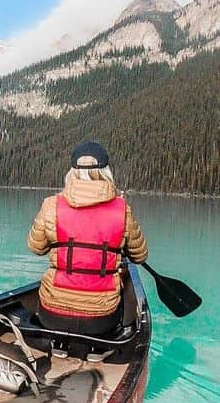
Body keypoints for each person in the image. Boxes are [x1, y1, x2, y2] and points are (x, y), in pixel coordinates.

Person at [26, 140, 148, 336]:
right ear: (106, 172)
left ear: (72, 172)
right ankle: (108, 343)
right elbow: (140, 256)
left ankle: (59, 345)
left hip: (53, 314)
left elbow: (35, 247)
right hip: (102, 319)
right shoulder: (122, 210)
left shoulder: (51, 205)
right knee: (126, 280)